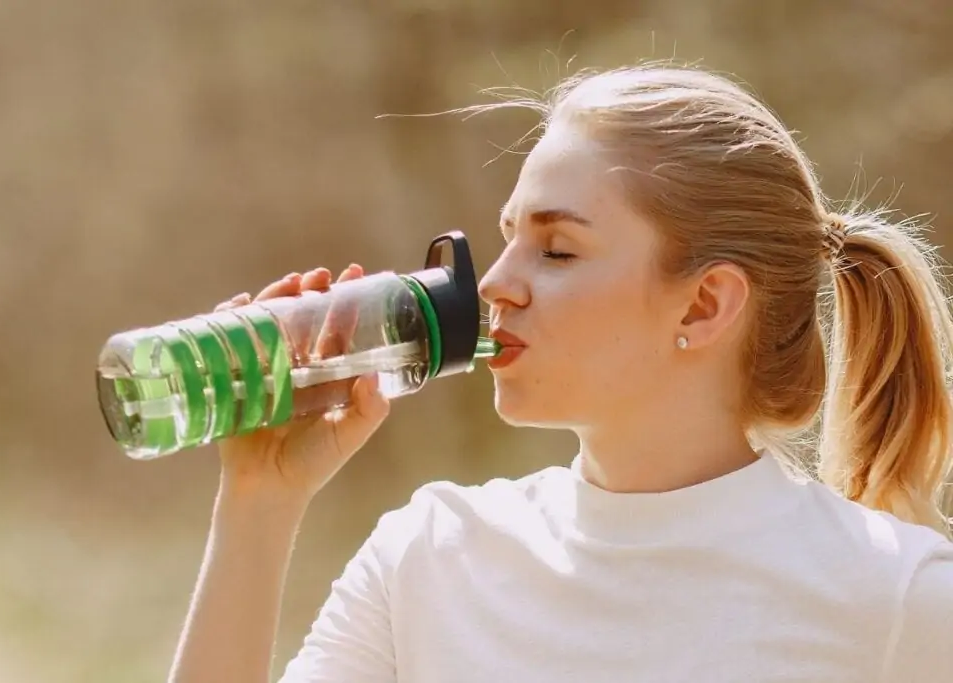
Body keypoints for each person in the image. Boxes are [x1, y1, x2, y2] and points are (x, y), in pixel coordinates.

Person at [166, 64, 953, 683]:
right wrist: (258, 505)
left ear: (704, 305)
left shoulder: (897, 599)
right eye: (507, 238)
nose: (494, 285)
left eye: (558, 250)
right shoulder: (432, 555)